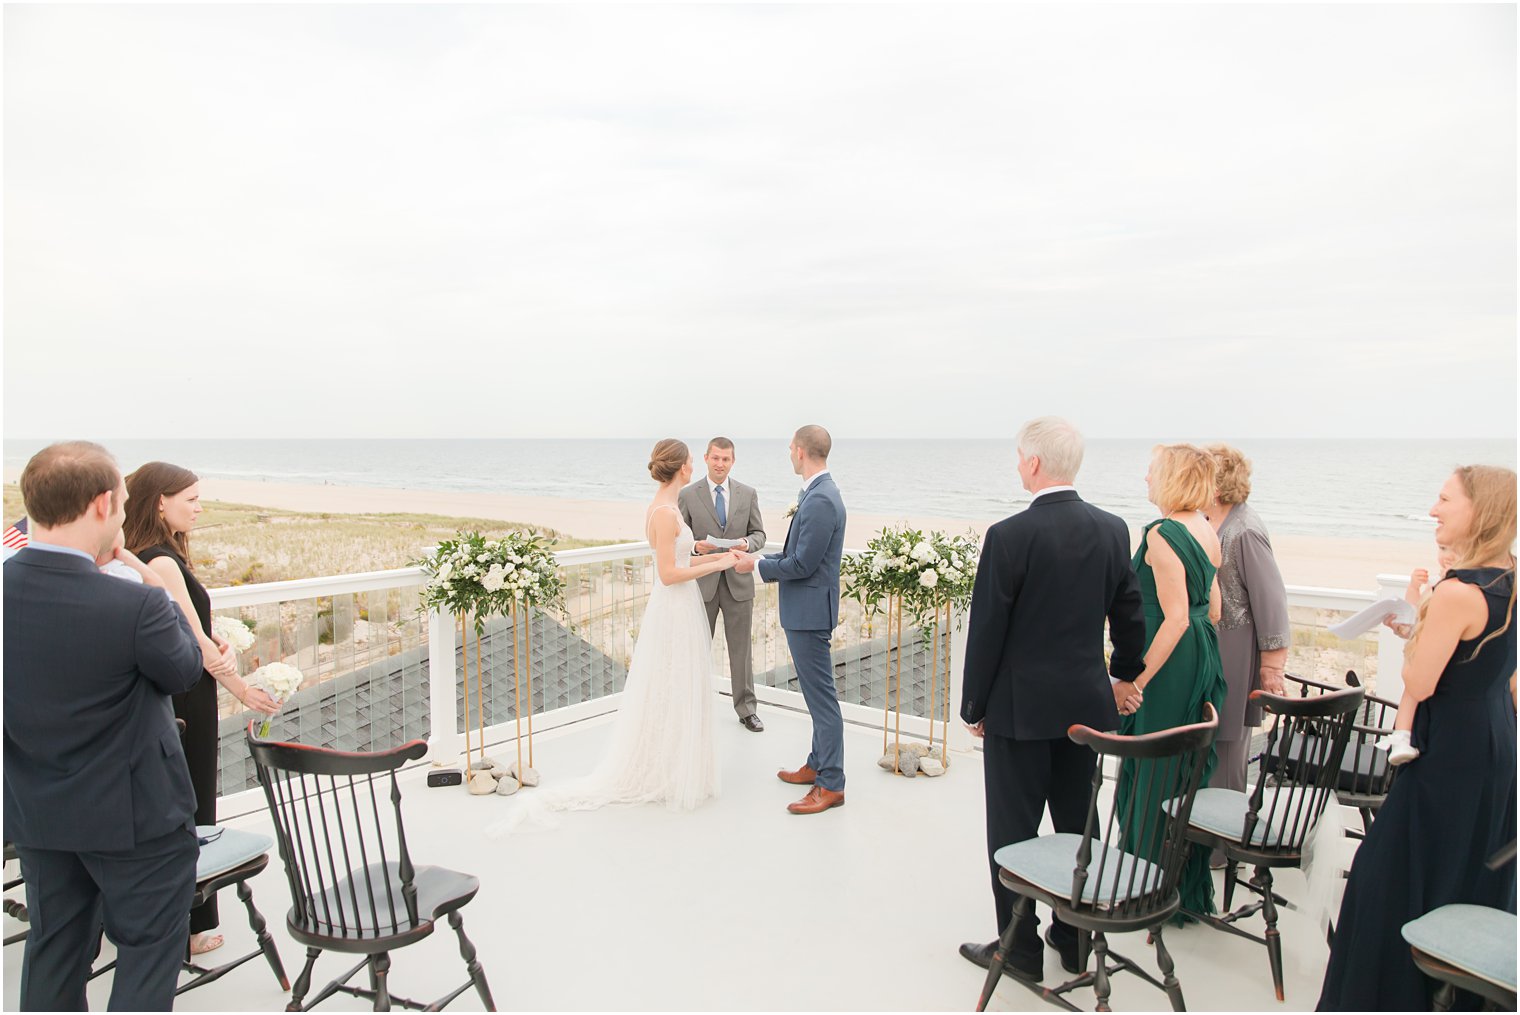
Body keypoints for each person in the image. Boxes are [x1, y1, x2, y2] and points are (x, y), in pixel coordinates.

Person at [3, 442, 205, 1011]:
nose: (121, 516)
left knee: (55, 950)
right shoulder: (132, 605)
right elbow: (185, 668)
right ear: (100, 506)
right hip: (138, 819)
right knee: (146, 956)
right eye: (119, 505)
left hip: (39, 815)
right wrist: (147, 576)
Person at [1319, 465, 1517, 1011]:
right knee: (1465, 871)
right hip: (1497, 745)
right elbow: (1500, 673)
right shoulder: (1511, 580)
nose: (1433, 510)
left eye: (1444, 499)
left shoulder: (1456, 592)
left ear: (1480, 511)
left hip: (1449, 752)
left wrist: (1418, 629)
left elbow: (1418, 682)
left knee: (1388, 877)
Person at [957, 417, 1146, 982]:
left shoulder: (1010, 535)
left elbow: (987, 630)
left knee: (1012, 831)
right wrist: (1123, 675)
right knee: (1076, 824)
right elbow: (1129, 614)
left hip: (1019, 709)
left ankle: (1019, 948)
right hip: (1086, 707)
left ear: (1035, 463)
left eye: (1020, 457)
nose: (1018, 465)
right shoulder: (1113, 530)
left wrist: (974, 706)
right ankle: (1075, 936)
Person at [489, 439, 740, 832]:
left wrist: (720, 557)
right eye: (691, 461)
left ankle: (677, 765)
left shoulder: (670, 506)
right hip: (673, 609)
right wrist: (719, 563)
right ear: (681, 468)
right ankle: (661, 771)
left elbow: (682, 558)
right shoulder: (662, 511)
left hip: (681, 608)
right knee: (669, 686)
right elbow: (668, 575)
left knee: (680, 686)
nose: (695, 466)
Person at [122, 461, 279, 956]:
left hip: (175, 691)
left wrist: (213, 636)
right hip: (187, 694)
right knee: (192, 803)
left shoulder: (147, 557)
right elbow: (194, 644)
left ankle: (162, 916)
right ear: (159, 501)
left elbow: (185, 625)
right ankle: (193, 927)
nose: (199, 506)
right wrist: (243, 690)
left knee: (174, 803)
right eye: (190, 498)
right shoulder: (160, 561)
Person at [1114, 443, 1227, 918]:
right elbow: (1212, 610)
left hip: (1170, 659)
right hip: (1201, 655)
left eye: (1151, 472)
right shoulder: (1206, 527)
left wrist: (1137, 679)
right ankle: (1181, 886)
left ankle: (1145, 890)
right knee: (1181, 769)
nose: (1145, 479)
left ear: (1171, 478)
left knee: (1153, 769)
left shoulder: (1162, 533)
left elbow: (1175, 618)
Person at [735, 425, 848, 815]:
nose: (789, 453)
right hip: (808, 609)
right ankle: (817, 764)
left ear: (800, 451)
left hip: (810, 613)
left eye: (790, 448)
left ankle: (831, 783)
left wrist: (757, 564)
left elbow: (802, 563)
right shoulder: (819, 493)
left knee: (822, 701)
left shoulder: (820, 499)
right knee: (817, 698)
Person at [1204, 446, 1289, 803]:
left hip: (1235, 654)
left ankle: (1221, 848)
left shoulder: (1244, 531)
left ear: (1217, 485)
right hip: (1217, 651)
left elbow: (1272, 600)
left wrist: (1272, 666)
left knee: (1226, 752)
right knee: (1209, 748)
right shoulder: (1213, 523)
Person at [679, 437, 768, 732]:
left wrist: (746, 543)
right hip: (702, 584)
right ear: (706, 458)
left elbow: (759, 534)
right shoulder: (688, 494)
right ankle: (693, 707)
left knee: (741, 652)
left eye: (725, 459)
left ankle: (747, 709)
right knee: (696, 649)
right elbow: (680, 539)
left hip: (738, 583)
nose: (720, 464)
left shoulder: (748, 493)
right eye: (715, 458)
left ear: (733, 461)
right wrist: (695, 548)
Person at [1377, 543, 1458, 765]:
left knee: (1413, 693)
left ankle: (1402, 736)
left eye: (1454, 550)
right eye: (1442, 549)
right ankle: (1401, 736)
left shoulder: (1458, 589)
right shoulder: (1434, 586)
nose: (1447, 556)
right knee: (1410, 693)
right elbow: (1413, 611)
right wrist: (1413, 586)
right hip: (1420, 652)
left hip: (1441, 662)